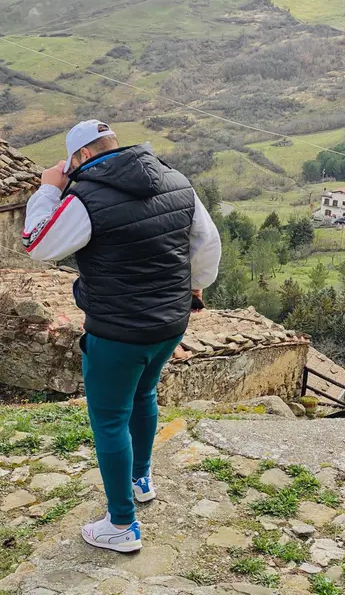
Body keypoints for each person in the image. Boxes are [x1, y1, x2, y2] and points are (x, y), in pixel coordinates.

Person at [23, 120, 221, 553]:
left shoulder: (85, 198)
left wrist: (48, 190)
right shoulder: (176, 181)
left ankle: (122, 524)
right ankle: (140, 479)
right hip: (170, 323)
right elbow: (206, 244)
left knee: (109, 419)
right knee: (144, 394)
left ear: (82, 156)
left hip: (117, 331)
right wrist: (194, 287)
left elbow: (39, 245)